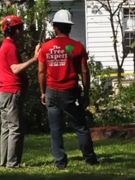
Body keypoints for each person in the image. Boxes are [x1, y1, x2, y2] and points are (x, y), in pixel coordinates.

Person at [39, 9, 99, 170]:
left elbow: (41, 72)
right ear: (69, 28)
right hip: (70, 92)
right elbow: (85, 71)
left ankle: (60, 162)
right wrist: (86, 93)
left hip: (51, 91)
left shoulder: (46, 47)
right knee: (80, 126)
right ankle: (90, 158)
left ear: (56, 28)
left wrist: (43, 92)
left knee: (56, 129)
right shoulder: (76, 47)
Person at [0, 14, 41, 169]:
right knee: (15, 128)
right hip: (11, 92)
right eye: (20, 28)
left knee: (7, 128)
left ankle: (5, 162)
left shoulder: (6, 46)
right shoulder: (10, 47)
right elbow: (15, 69)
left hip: (4, 93)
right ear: (14, 30)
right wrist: (34, 59)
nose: (22, 31)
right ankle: (12, 163)